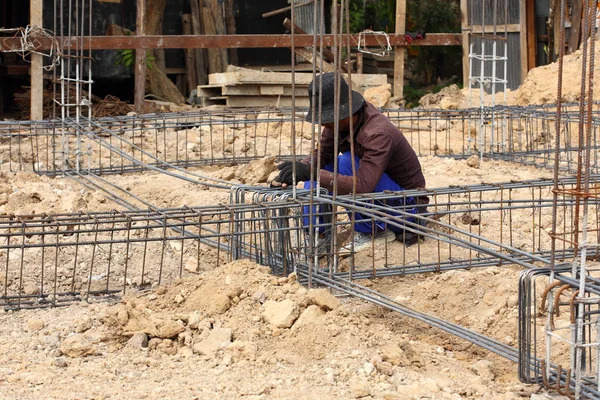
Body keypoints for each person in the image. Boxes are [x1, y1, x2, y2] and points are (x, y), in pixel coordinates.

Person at [272, 72, 428, 252]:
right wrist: (295, 171)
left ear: (346, 111)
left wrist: (311, 172)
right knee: (315, 172)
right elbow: (323, 154)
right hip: (382, 198)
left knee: (346, 162)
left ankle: (373, 231)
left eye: (328, 119)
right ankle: (319, 236)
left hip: (406, 209)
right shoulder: (339, 123)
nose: (325, 125)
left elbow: (363, 185)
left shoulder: (378, 133)